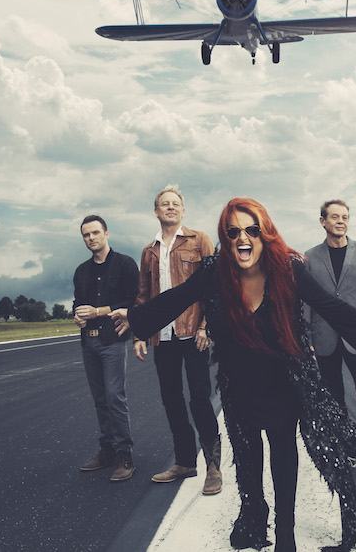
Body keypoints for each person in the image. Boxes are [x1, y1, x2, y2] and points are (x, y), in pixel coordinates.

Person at [112, 198, 356, 552]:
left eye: (251, 229)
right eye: (233, 231)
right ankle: (254, 520)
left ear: (264, 234)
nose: (242, 238)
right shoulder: (214, 272)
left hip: (284, 382)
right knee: (249, 465)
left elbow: (329, 306)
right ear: (225, 237)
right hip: (238, 386)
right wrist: (136, 318)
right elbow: (177, 298)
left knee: (283, 456)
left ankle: (285, 536)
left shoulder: (289, 269)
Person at [132, 184, 221, 495]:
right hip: (163, 335)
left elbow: (214, 286)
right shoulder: (149, 251)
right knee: (171, 399)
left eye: (175, 204)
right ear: (156, 212)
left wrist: (206, 326)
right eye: (164, 204)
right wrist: (139, 332)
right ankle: (185, 461)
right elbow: (144, 296)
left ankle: (213, 465)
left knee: (199, 398)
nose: (170, 207)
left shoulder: (200, 240)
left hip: (193, 333)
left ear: (183, 210)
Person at [304, 200, 356, 487]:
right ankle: (345, 453)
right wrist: (309, 339)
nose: (341, 221)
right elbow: (306, 301)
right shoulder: (311, 257)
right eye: (335, 217)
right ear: (322, 221)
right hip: (324, 339)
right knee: (333, 401)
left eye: (345, 217)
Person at [73, 215, 140, 481]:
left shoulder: (125, 265)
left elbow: (132, 301)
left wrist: (98, 311)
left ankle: (125, 454)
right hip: (87, 341)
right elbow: (78, 303)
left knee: (115, 397)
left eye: (95, 233)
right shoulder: (81, 271)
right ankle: (108, 450)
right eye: (86, 235)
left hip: (111, 340)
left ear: (106, 234)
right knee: (100, 400)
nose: (91, 238)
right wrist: (77, 316)